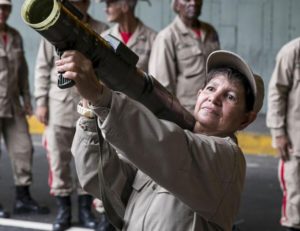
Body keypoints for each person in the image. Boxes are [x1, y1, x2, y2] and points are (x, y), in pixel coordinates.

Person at [54, 49, 264, 231]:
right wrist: (90, 111)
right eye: (211, 88)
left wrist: (102, 97)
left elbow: (168, 145)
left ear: (247, 118)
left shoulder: (227, 158)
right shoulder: (164, 151)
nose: (215, 98)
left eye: (230, 97)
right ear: (199, 94)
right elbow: (100, 182)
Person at [34, 0, 109, 230]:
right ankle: (64, 209)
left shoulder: (102, 29)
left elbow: (107, 68)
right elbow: (42, 67)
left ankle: (86, 209)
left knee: (89, 159)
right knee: (58, 160)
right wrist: (40, 101)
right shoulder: (53, 28)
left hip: (88, 107)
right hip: (59, 106)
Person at [0, 0, 50, 218]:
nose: (2, 11)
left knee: (23, 148)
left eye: (6, 7)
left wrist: (27, 99)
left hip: (12, 103)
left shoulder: (15, 36)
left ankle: (23, 198)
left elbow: (22, 73)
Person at [149, 0, 220, 113]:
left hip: (212, 108)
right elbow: (162, 87)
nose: (193, 3)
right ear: (176, 5)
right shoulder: (167, 37)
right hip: (187, 112)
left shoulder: (210, 31)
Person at [266, 38, 300, 231]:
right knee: (296, 201)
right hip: (296, 145)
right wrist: (278, 132)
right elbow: (276, 92)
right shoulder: (292, 52)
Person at [100, 0, 156, 72]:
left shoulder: (153, 39)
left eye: (109, 5)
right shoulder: (104, 37)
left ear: (125, 7)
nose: (105, 10)